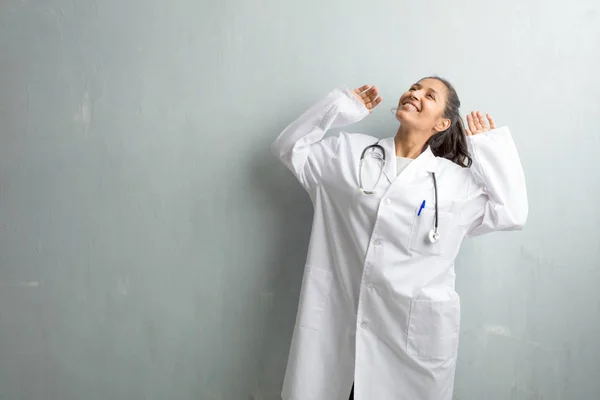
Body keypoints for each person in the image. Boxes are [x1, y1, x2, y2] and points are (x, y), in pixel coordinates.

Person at [270, 77, 528, 400]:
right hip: (340, 334)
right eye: (414, 88)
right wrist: (339, 108)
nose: (415, 94)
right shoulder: (348, 154)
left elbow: (513, 213)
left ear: (442, 123)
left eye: (429, 95)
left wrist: (488, 148)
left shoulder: (455, 184)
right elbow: (288, 148)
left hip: (410, 349)